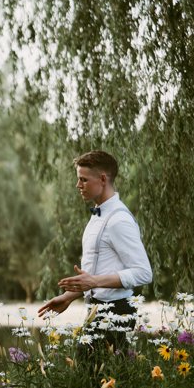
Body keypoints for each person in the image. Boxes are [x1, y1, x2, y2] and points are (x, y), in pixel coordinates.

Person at [38, 150, 153, 352]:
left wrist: (94, 282)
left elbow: (144, 272)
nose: (78, 185)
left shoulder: (119, 220)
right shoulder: (98, 215)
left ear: (102, 179)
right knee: (98, 380)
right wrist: (68, 297)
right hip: (97, 310)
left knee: (93, 378)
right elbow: (97, 272)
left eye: (83, 179)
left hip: (117, 312)